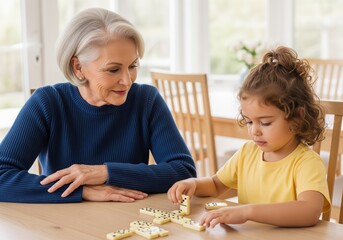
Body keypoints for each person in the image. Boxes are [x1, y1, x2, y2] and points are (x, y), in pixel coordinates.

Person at [0, 8, 196, 203]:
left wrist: (105, 172)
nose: (127, 81)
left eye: (133, 66)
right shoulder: (47, 103)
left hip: (129, 221)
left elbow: (183, 171)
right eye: (113, 70)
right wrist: (81, 191)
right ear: (78, 67)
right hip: (64, 225)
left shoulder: (146, 100)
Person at [168, 46, 331, 227]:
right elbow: (215, 185)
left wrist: (247, 211)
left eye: (265, 123)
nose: (254, 131)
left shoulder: (307, 162)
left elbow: (308, 211)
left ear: (297, 118)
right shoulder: (247, 152)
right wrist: (194, 184)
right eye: (249, 122)